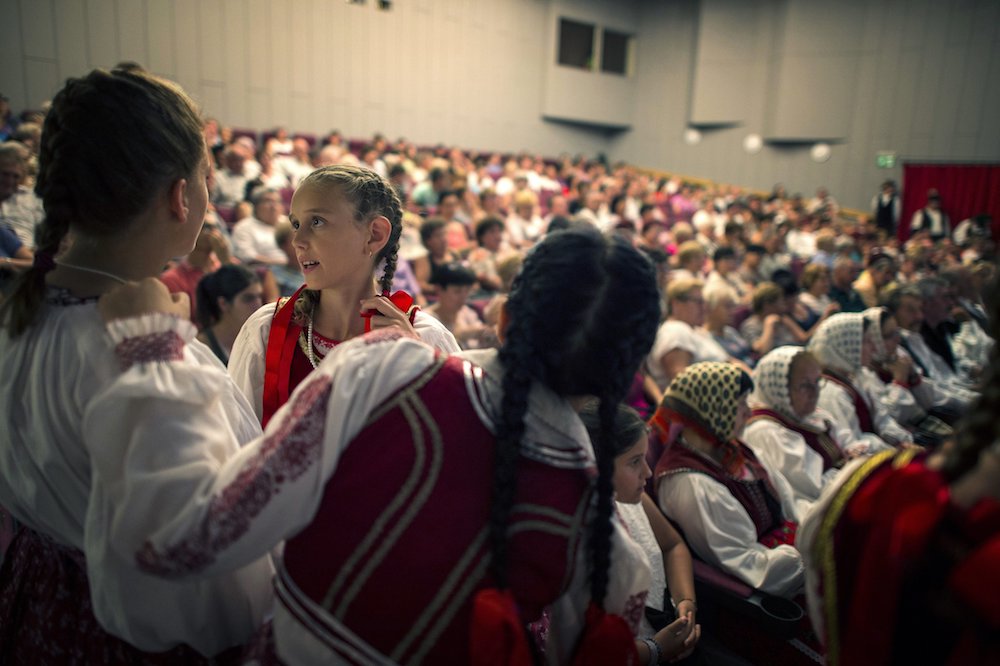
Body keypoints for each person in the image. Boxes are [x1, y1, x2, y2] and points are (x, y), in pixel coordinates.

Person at [93, 228, 664, 664]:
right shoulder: (602, 537)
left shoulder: (382, 369)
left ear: (505, 317)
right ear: (625, 371)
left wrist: (153, 358)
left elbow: (185, 542)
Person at [0, 66, 273, 661]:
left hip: (39, 607)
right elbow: (215, 592)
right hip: (124, 636)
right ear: (181, 196)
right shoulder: (149, 360)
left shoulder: (19, 315)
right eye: (207, 177)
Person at [798, 278, 1000, 666]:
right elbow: (857, 435)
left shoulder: (887, 485)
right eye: (873, 340)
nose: (876, 348)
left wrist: (901, 429)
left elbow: (886, 420)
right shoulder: (836, 392)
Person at [229, 164, 459, 425]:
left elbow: (449, 445)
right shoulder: (267, 330)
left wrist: (416, 366)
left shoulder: (426, 339)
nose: (298, 240)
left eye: (317, 221)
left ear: (374, 235)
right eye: (296, 224)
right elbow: (237, 441)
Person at [653, 363, 805, 597]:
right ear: (712, 408)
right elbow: (747, 564)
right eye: (740, 403)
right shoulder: (690, 482)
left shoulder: (731, 450)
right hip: (767, 592)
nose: (749, 411)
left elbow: (788, 503)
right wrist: (811, 558)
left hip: (785, 554)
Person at [579, 402, 701, 661]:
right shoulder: (578, 539)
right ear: (596, 469)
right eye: (635, 461)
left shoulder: (633, 500)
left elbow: (673, 546)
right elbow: (587, 651)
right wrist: (655, 649)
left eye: (644, 458)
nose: (647, 472)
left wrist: (685, 603)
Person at [744, 347, 868, 519]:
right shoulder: (765, 432)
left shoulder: (807, 413)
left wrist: (854, 453)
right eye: (804, 385)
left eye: (817, 381)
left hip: (841, 492)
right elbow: (813, 487)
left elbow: (846, 439)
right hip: (816, 512)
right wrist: (853, 466)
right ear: (779, 389)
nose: (815, 391)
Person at [808, 313, 911, 450]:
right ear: (845, 346)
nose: (874, 348)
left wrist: (902, 441)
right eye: (866, 341)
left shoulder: (858, 375)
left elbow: (882, 419)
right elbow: (853, 446)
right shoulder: (830, 392)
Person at [646, 278, 729, 397]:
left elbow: (728, 360)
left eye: (704, 302)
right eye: (698, 302)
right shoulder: (675, 330)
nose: (704, 307)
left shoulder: (695, 330)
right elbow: (682, 383)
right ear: (676, 304)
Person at [195, 265, 264, 365]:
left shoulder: (260, 342)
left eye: (259, 297)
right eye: (248, 299)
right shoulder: (200, 348)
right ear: (223, 304)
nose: (258, 305)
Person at [424, 262, 490, 349]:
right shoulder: (426, 319)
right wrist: (460, 335)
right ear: (439, 289)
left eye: (467, 291)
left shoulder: (467, 312)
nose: (463, 297)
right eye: (457, 291)